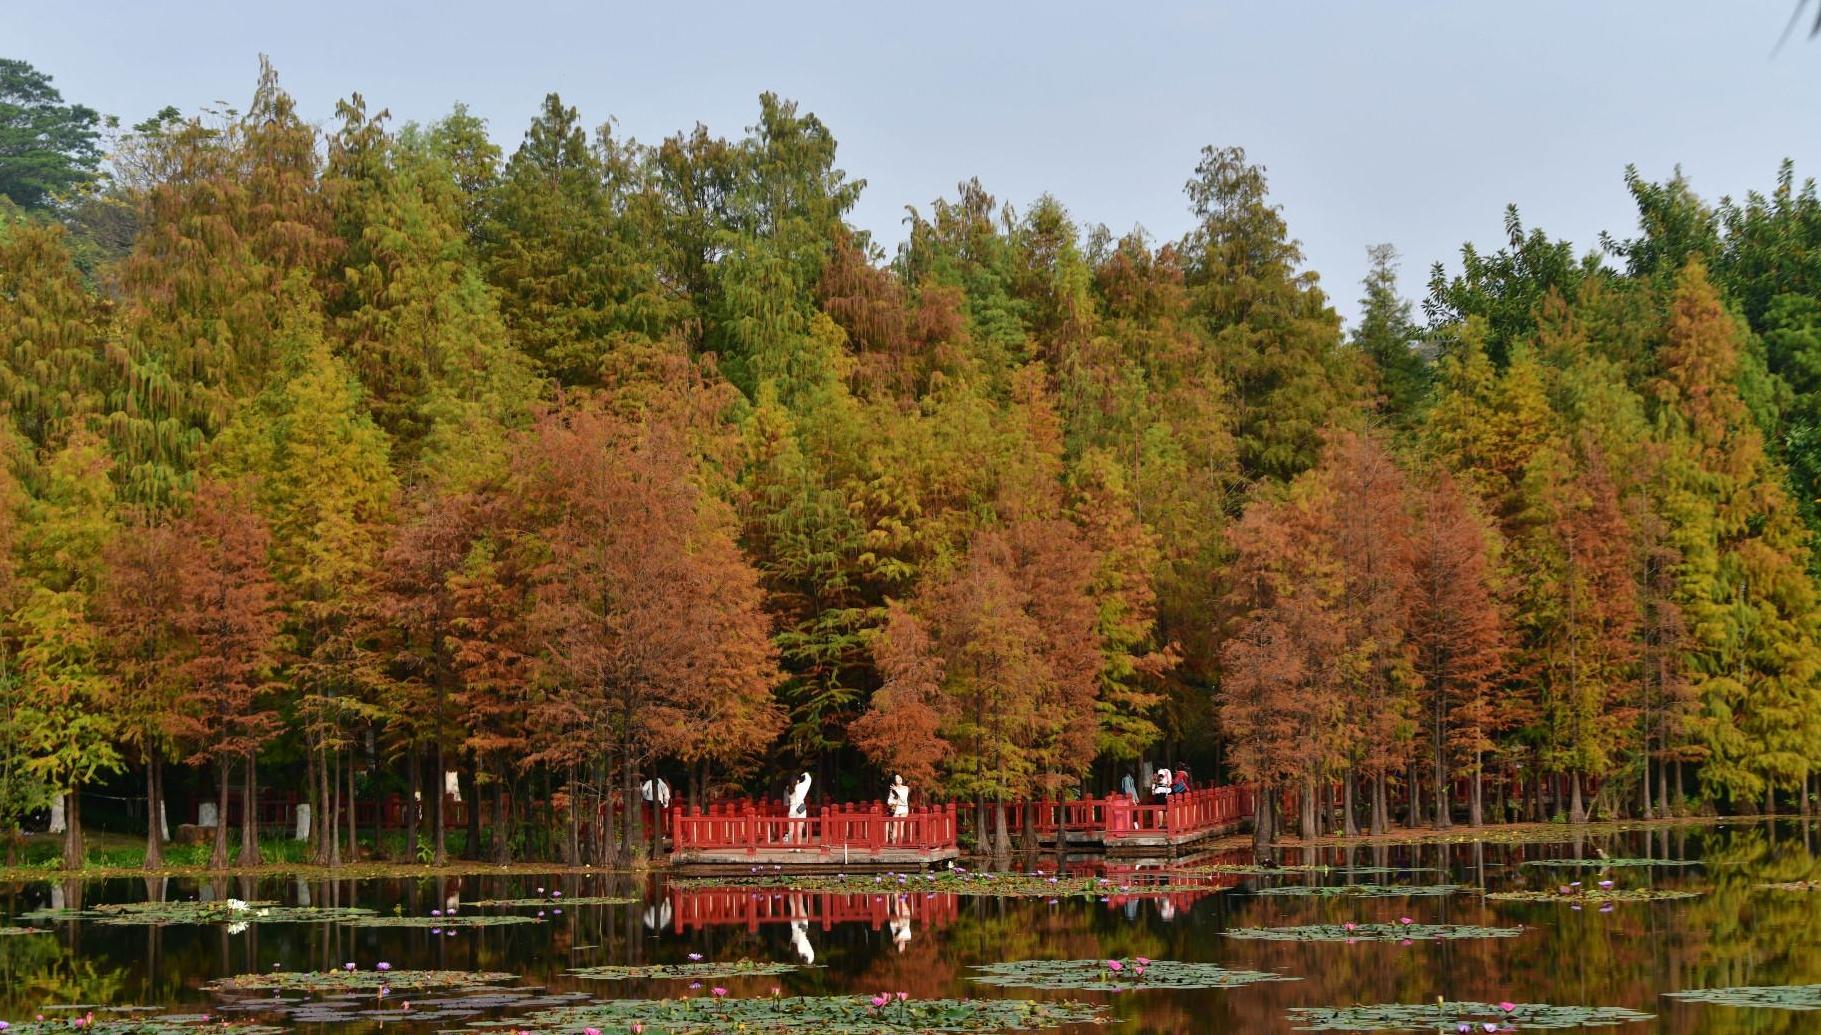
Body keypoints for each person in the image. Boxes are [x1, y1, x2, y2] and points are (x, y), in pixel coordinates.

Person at [784, 772, 812, 844]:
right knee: (799, 829)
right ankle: (798, 847)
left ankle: (790, 847)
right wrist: (805, 774)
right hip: (801, 808)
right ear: (797, 780)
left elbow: (786, 802)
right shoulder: (801, 787)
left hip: (792, 808)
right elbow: (808, 779)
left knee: (791, 829)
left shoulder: (788, 788)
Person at [887, 774, 910, 843]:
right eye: (897, 778)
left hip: (904, 807)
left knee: (901, 824)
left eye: (900, 777)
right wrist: (893, 802)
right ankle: (894, 843)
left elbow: (904, 799)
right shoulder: (893, 790)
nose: (899, 778)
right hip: (897, 808)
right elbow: (889, 801)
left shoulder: (905, 788)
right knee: (895, 824)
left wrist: (896, 789)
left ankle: (900, 842)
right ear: (895, 781)